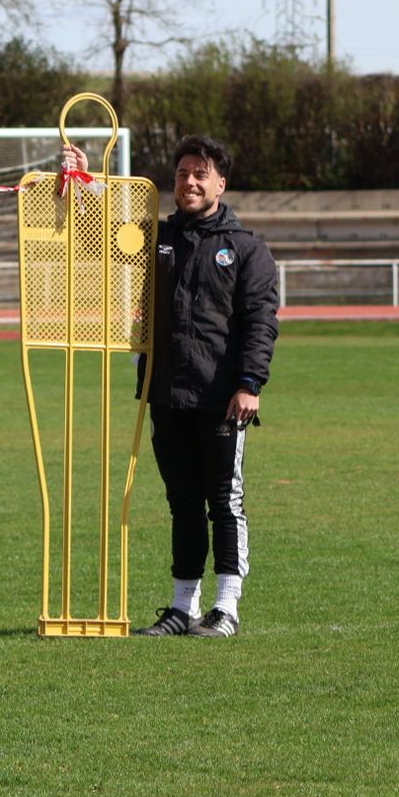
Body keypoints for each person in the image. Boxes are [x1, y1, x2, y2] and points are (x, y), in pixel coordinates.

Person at [131, 134, 278, 638]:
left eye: (200, 173)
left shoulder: (247, 248)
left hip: (223, 400)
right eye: (181, 173)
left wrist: (249, 382)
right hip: (167, 393)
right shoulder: (156, 237)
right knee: (182, 503)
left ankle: (226, 608)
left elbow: (261, 321)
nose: (189, 182)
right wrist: (78, 182)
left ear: (221, 182)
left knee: (224, 501)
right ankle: (180, 608)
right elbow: (97, 235)